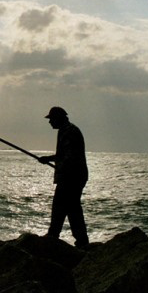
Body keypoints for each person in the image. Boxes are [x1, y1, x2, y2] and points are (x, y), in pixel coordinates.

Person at [38, 106, 89, 248]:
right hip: (74, 176)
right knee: (72, 209)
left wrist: (49, 159)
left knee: (61, 207)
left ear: (58, 118)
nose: (50, 122)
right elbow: (66, 156)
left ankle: (53, 237)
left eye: (51, 119)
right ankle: (81, 241)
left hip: (71, 178)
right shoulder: (67, 130)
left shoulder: (69, 131)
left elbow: (68, 156)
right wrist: (50, 159)